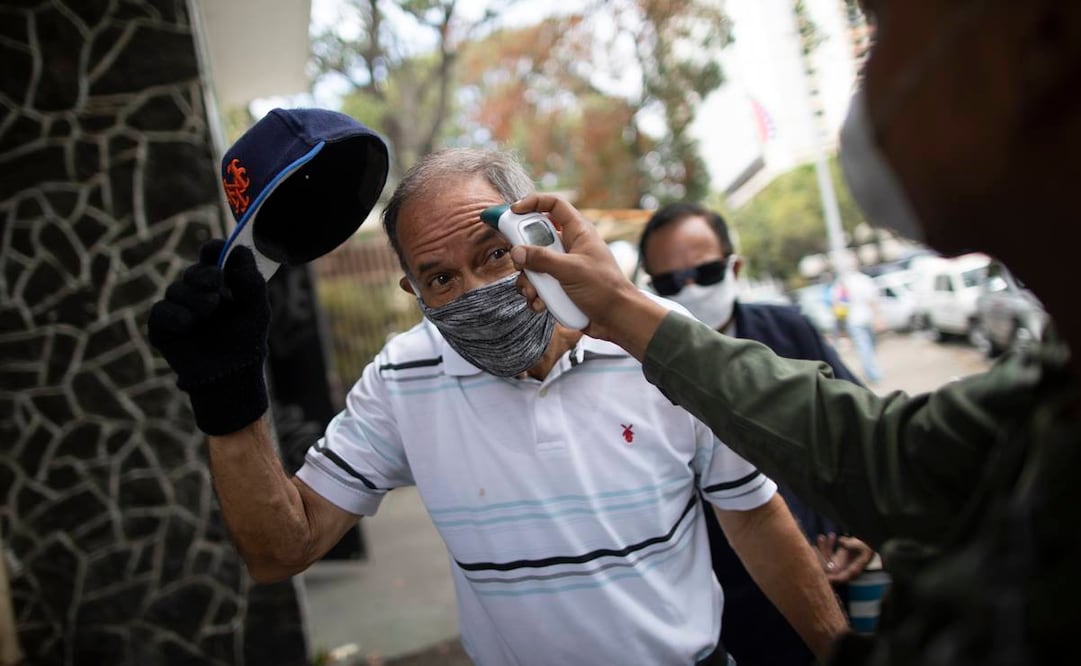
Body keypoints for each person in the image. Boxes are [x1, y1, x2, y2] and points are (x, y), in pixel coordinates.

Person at [507, 1, 1081, 662]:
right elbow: (882, 456)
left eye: (881, 27)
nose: (867, 79)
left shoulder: (784, 324)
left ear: (1042, 32)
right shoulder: (1047, 394)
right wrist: (616, 311)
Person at [148, 148, 849, 665]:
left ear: (535, 235)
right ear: (413, 294)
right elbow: (279, 551)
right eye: (441, 277)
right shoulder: (400, 380)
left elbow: (756, 518)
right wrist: (229, 403)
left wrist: (835, 652)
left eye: (492, 254)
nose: (475, 289)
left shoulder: (658, 341)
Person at [638, 202, 878, 665]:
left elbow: (859, 435)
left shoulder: (788, 330)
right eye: (670, 282)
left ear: (734, 266)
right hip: (731, 609)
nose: (690, 289)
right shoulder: (637, 366)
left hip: (833, 581)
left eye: (705, 272)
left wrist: (866, 531)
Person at [829, 266, 884, 384]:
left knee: (865, 347)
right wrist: (877, 317)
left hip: (853, 320)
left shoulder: (841, 285)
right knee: (868, 346)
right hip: (865, 318)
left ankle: (871, 371)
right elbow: (873, 300)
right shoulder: (863, 280)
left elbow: (837, 305)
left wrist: (841, 325)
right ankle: (872, 373)